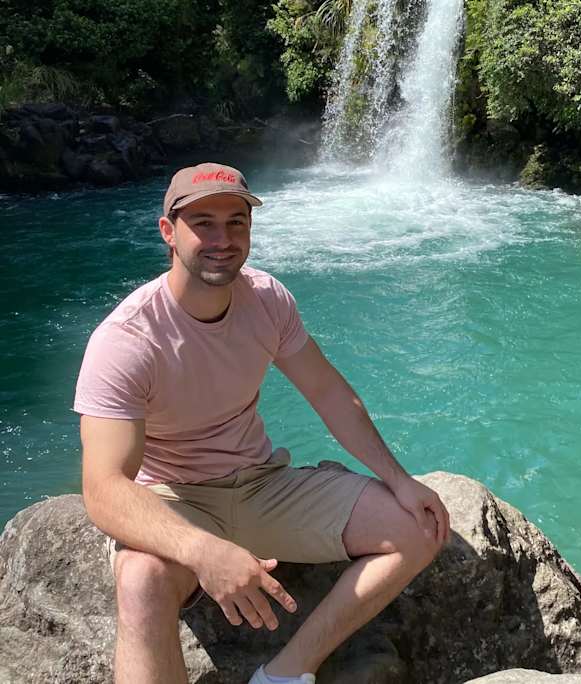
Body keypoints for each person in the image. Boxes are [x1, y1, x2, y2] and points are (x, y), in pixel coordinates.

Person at [74, 162, 450, 684]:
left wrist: (399, 479)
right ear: (168, 232)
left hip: (261, 484)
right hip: (175, 499)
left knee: (418, 527)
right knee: (141, 581)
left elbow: (329, 394)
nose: (223, 239)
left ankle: (285, 673)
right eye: (203, 223)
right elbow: (104, 489)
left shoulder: (267, 299)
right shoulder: (127, 341)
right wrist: (203, 551)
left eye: (236, 222)